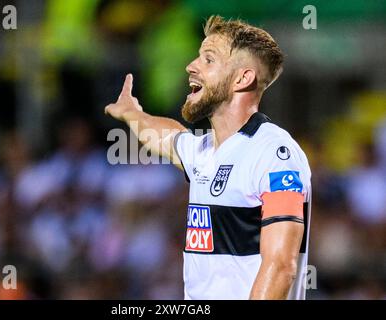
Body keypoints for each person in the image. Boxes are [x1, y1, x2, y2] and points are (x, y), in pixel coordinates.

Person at [105, 15, 311, 300]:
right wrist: (132, 113)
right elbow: (165, 137)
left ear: (242, 78)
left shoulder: (274, 155)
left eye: (208, 59)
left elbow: (280, 267)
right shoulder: (204, 151)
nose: (191, 66)